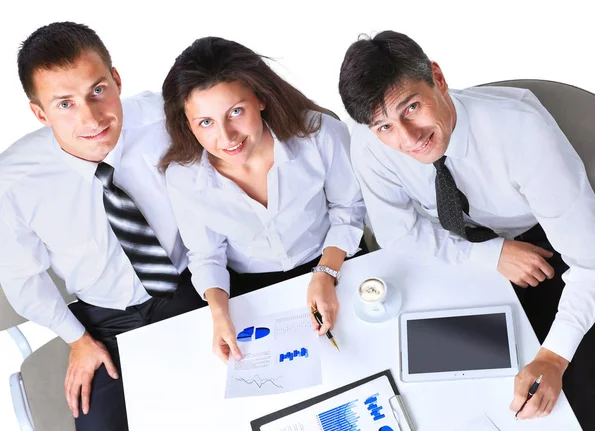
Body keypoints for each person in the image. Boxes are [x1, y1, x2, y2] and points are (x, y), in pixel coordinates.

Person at [338, 30, 595, 430]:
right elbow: (397, 234)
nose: (408, 139)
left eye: (411, 107)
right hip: (455, 241)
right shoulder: (370, 141)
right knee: (430, 380)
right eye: (385, 126)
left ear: (438, 79)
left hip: (544, 241)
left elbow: (592, 264)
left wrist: (553, 357)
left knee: (560, 393)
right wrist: (490, 255)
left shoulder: (522, 134)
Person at [0, 22, 205, 431]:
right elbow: (24, 279)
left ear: (116, 79)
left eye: (97, 90)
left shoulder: (166, 117)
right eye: (64, 104)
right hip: (104, 323)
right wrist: (77, 340)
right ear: (39, 113)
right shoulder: (13, 180)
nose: (91, 117)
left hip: (190, 288)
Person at [160, 36, 366, 363]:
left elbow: (349, 209)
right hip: (251, 287)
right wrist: (219, 312)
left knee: (362, 355)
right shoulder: (182, 177)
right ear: (188, 124)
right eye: (206, 122)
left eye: (236, 111)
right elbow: (206, 253)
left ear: (260, 98)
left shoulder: (321, 134)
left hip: (332, 257)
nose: (226, 137)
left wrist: (326, 273)